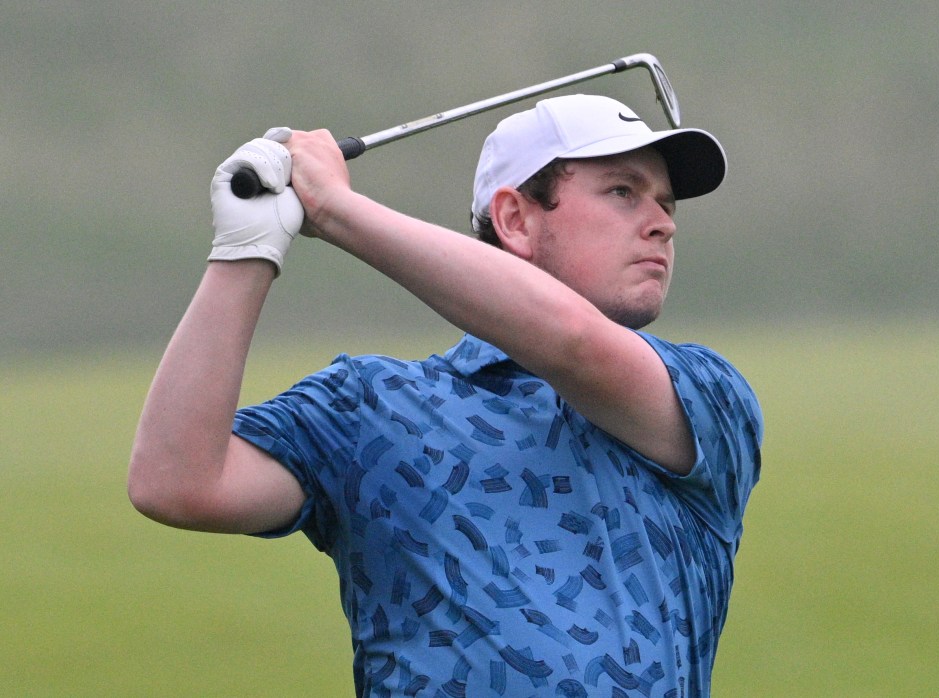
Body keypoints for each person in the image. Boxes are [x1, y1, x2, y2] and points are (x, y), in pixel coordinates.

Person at [129, 93, 762, 697]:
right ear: (514, 219)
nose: (661, 225)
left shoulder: (707, 397)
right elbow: (175, 481)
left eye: (668, 205)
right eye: (624, 192)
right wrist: (246, 249)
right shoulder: (370, 408)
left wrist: (337, 210)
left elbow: (573, 340)